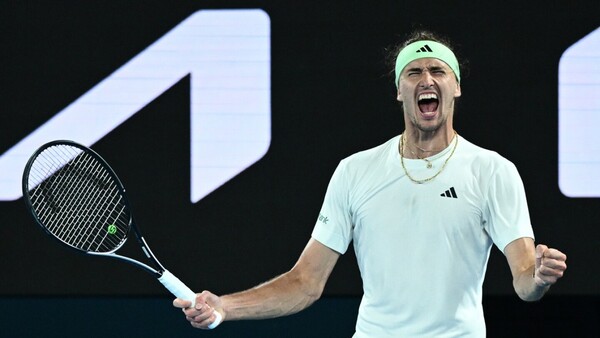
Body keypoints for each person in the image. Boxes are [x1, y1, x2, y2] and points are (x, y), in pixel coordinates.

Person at [173, 30, 567, 337]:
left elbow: (524, 277)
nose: (426, 79)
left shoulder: (493, 171)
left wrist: (539, 278)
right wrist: (225, 306)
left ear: (456, 87)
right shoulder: (355, 172)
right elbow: (305, 282)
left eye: (438, 71)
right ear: (400, 91)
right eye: (413, 72)